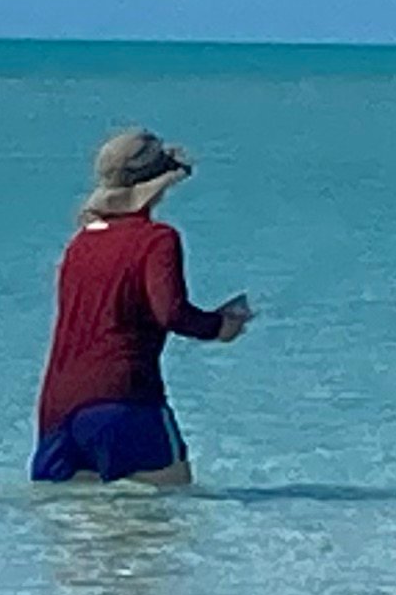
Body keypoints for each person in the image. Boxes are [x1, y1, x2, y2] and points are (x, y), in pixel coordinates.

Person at [33, 126, 250, 485]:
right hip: (124, 398)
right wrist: (220, 326)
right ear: (160, 185)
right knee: (171, 509)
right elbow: (170, 312)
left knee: (76, 534)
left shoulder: (79, 245)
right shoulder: (157, 240)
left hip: (57, 408)